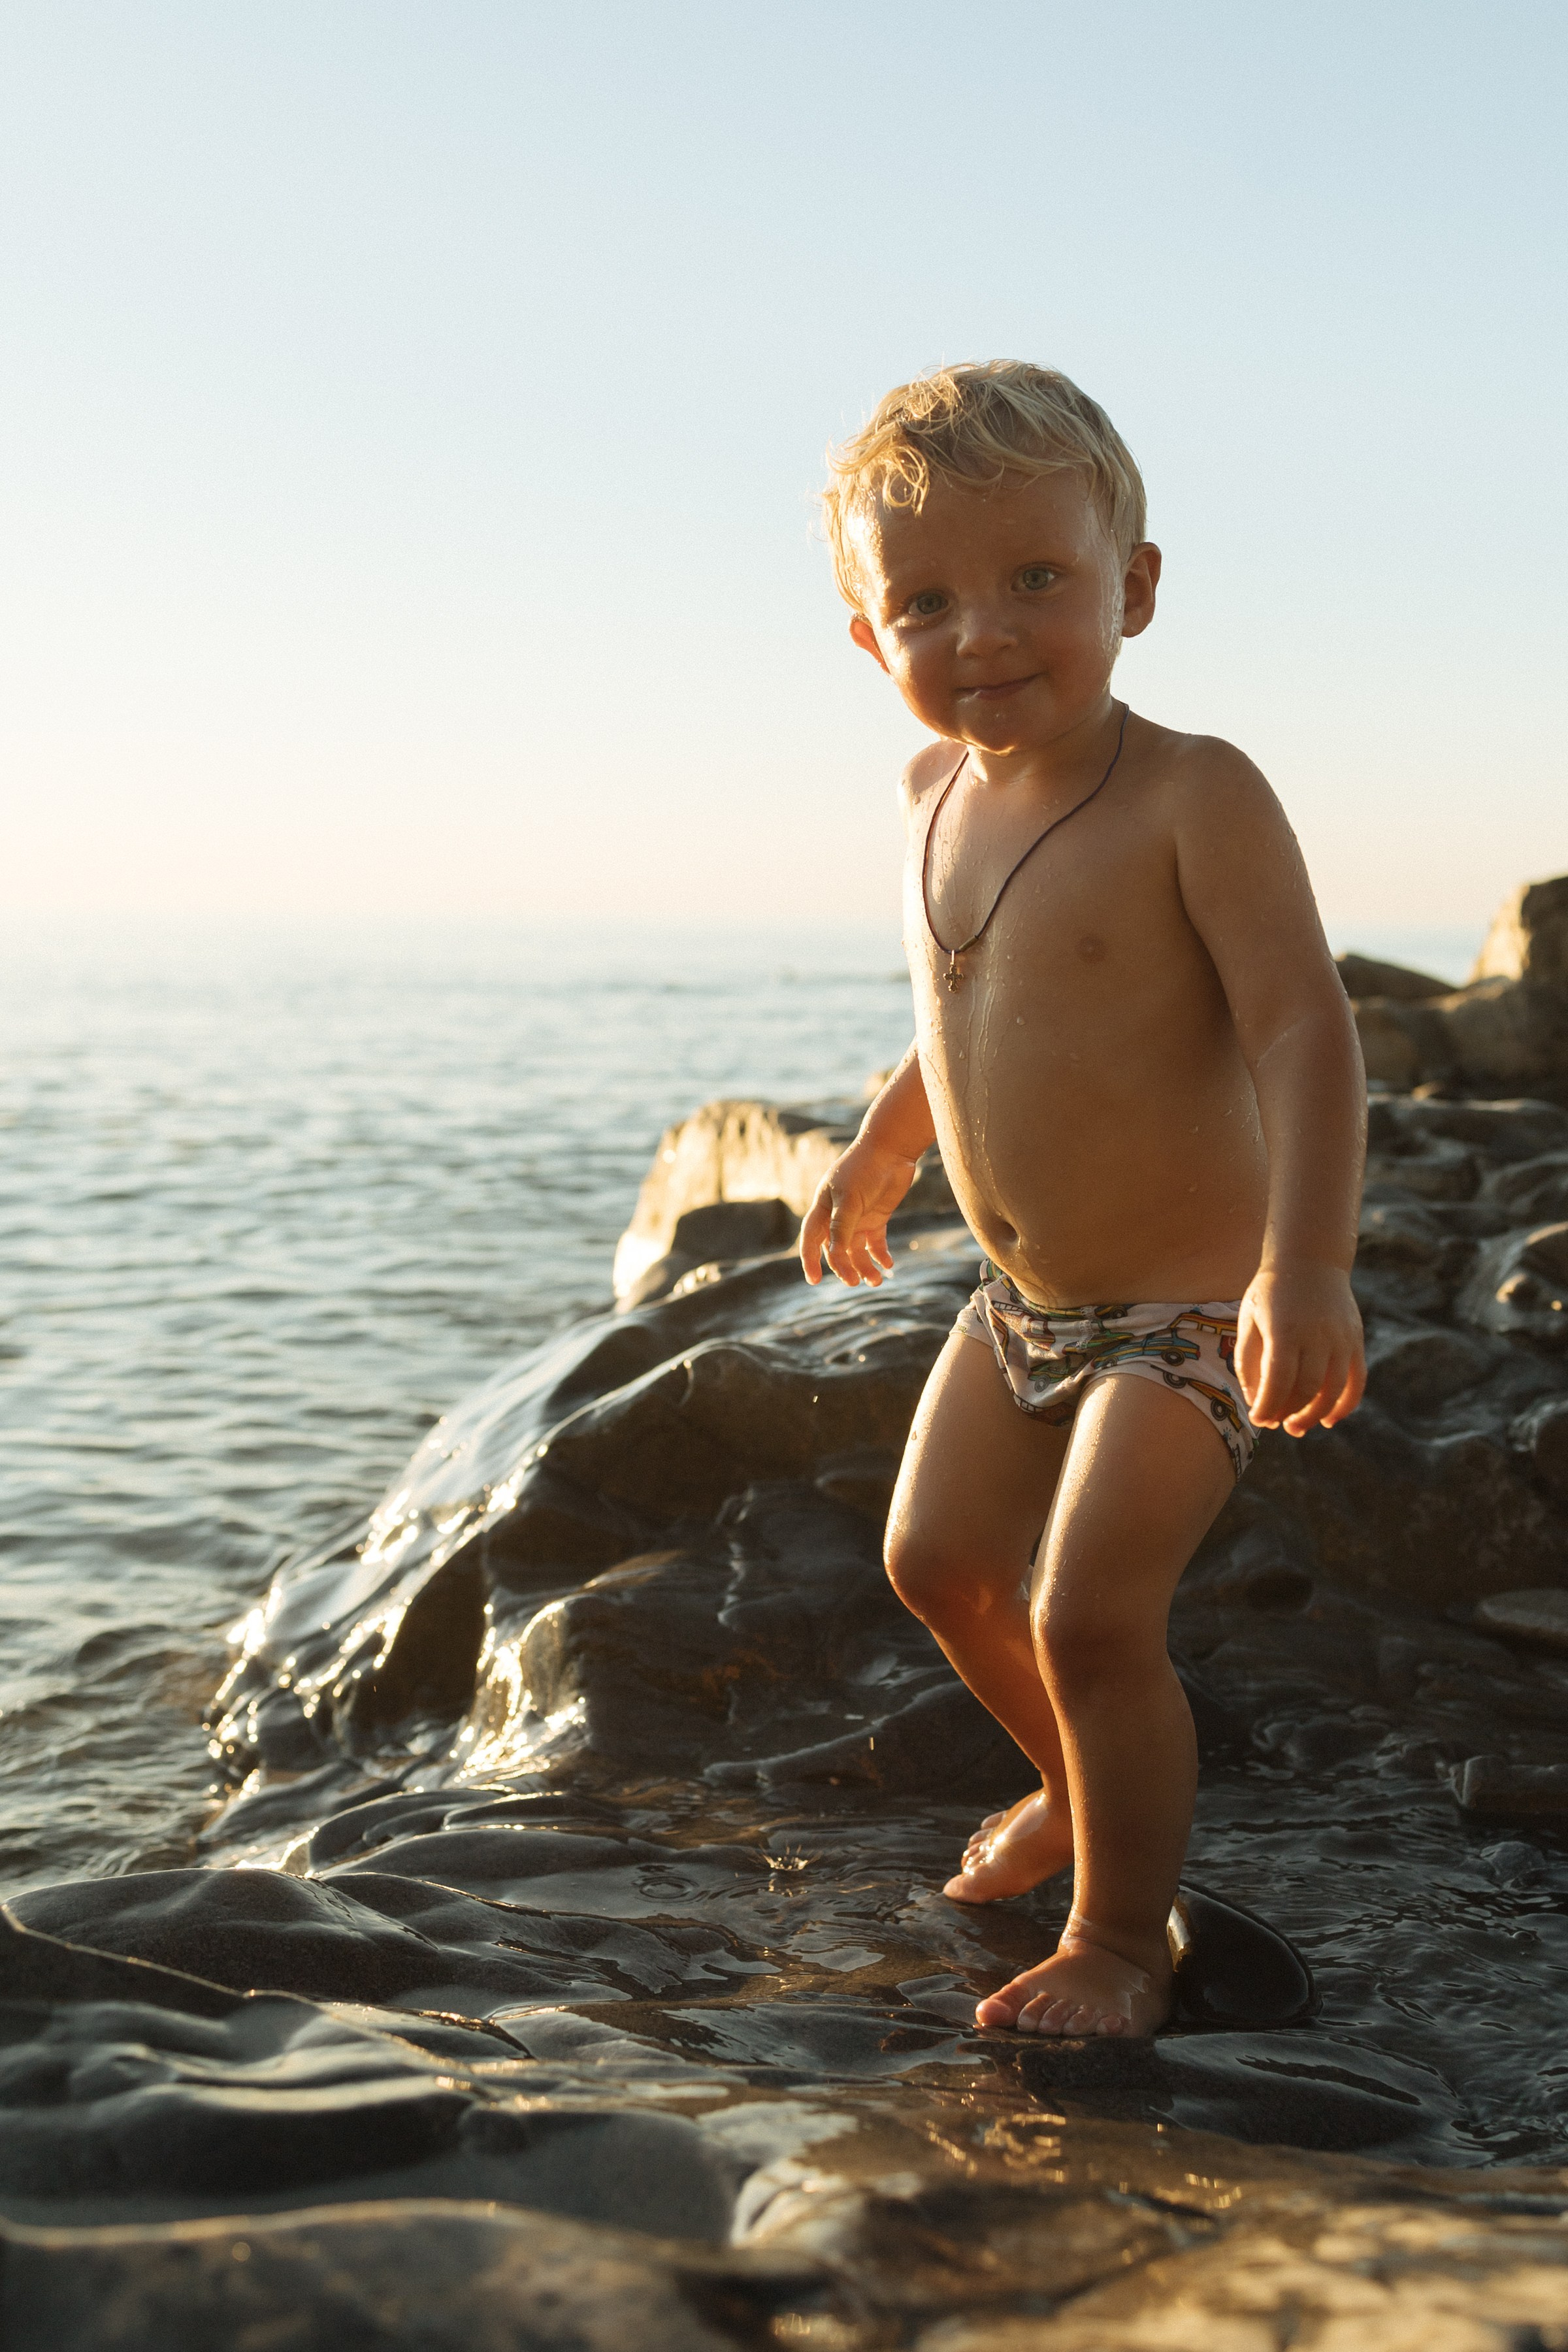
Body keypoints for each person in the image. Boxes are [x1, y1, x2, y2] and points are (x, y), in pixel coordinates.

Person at [799, 362, 1365, 2038]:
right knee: (937, 1563)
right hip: (1024, 1302)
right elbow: (964, 996)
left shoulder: (1197, 793)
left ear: (1134, 586)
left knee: (1092, 1605)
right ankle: (1082, 1784)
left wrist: (1307, 1266)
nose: (980, 630)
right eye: (924, 600)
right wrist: (887, 1138)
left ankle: (1125, 1940)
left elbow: (1302, 1026)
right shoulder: (929, 800)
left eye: (1035, 577)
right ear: (865, 638)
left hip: (1192, 1306)